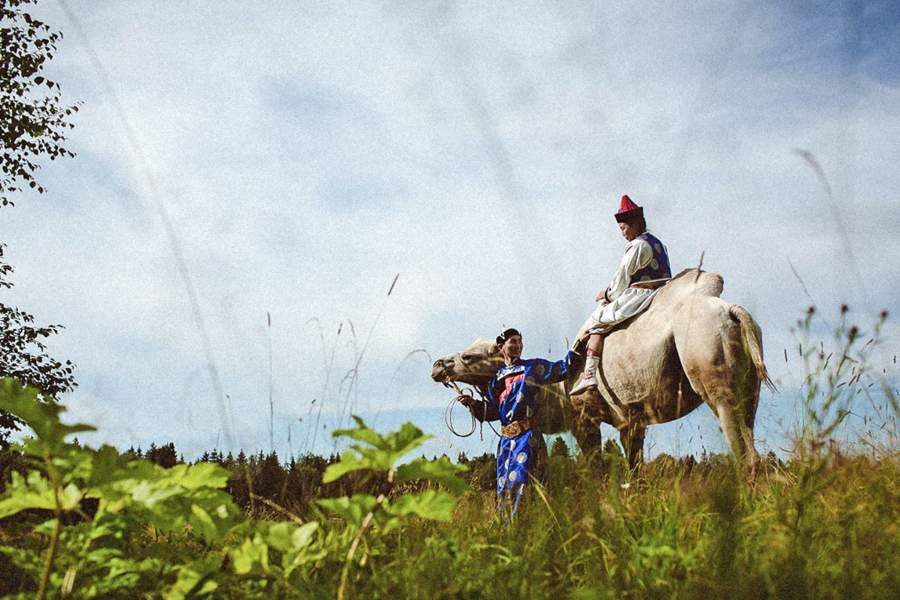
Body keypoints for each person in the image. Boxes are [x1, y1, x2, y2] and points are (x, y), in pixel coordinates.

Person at [458, 328, 579, 519]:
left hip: (527, 438)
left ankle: (528, 528)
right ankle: (508, 533)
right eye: (512, 342)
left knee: (523, 483)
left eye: (520, 342)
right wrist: (472, 404)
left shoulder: (533, 368)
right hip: (506, 443)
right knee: (504, 486)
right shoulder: (496, 380)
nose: (517, 346)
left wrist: (579, 345)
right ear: (501, 346)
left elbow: (563, 368)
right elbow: (493, 412)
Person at [570, 195, 672, 396]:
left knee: (598, 322)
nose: (623, 233)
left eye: (624, 228)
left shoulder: (637, 245)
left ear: (634, 224)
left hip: (641, 293)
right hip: (662, 291)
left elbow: (622, 277)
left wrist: (607, 295)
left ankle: (589, 373)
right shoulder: (657, 242)